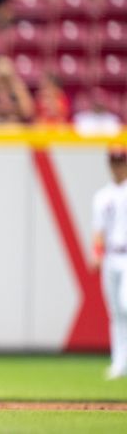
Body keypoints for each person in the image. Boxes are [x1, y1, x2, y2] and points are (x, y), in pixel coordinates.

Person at [91, 146, 127, 380]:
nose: (116, 166)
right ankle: (119, 363)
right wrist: (96, 252)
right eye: (113, 162)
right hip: (111, 255)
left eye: (120, 162)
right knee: (115, 311)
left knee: (126, 306)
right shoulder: (102, 196)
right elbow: (99, 230)